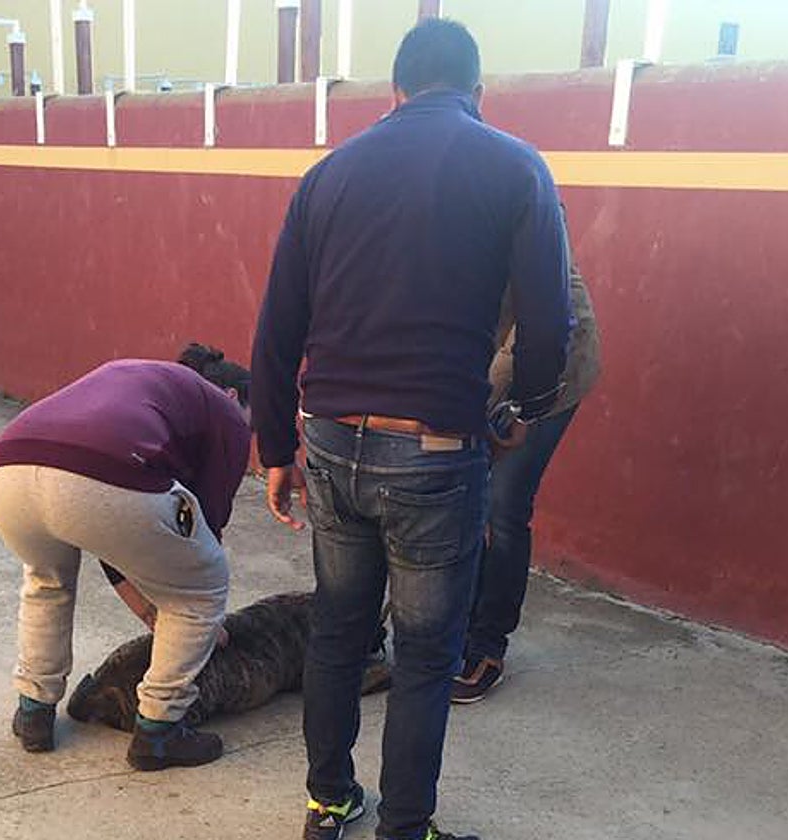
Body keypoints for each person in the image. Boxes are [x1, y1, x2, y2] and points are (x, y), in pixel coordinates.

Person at [250, 19, 572, 840]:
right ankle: (405, 829)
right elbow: (548, 326)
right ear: (477, 91)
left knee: (337, 631)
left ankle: (328, 805)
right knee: (426, 655)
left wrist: (274, 451)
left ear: (392, 92)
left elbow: (277, 327)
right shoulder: (514, 166)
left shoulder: (328, 176)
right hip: (434, 453)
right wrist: (520, 412)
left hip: (329, 439)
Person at [0, 343, 251, 771]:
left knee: (46, 582)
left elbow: (118, 525)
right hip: (106, 478)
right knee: (202, 588)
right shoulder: (226, 411)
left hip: (6, 474)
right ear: (234, 396)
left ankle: (33, 712)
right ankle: (159, 732)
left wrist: (146, 607)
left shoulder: (137, 379)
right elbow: (203, 526)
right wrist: (192, 617)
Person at [452, 221, 602, 704]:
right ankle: (452, 622)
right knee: (458, 494)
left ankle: (486, 644)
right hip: (489, 354)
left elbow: (542, 328)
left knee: (503, 505)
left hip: (550, 367)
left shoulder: (526, 207)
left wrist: (469, 406)